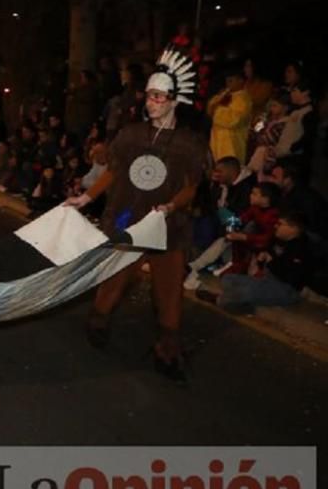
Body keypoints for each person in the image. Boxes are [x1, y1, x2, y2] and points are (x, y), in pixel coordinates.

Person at [67, 48, 208, 381]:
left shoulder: (190, 144)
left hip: (168, 225)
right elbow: (112, 172)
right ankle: (98, 319)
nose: (151, 102)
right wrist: (86, 197)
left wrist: (173, 205)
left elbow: (191, 187)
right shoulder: (130, 134)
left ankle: (167, 350)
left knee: (169, 288)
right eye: (149, 95)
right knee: (118, 275)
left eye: (159, 96)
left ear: (174, 100)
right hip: (127, 218)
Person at [197, 212, 313, 313]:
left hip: (286, 289)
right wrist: (263, 256)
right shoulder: (278, 239)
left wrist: (272, 261)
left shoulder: (301, 248)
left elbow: (291, 277)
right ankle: (242, 302)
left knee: (248, 291)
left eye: (280, 224)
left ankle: (219, 300)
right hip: (267, 281)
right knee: (228, 279)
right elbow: (265, 251)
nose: (276, 226)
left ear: (294, 228)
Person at [207, 62, 253, 164]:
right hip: (217, 140)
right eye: (227, 81)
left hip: (232, 145)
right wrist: (217, 103)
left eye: (231, 80)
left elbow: (233, 120)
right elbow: (210, 108)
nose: (228, 84)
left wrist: (219, 107)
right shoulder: (225, 94)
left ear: (241, 81)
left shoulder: (244, 99)